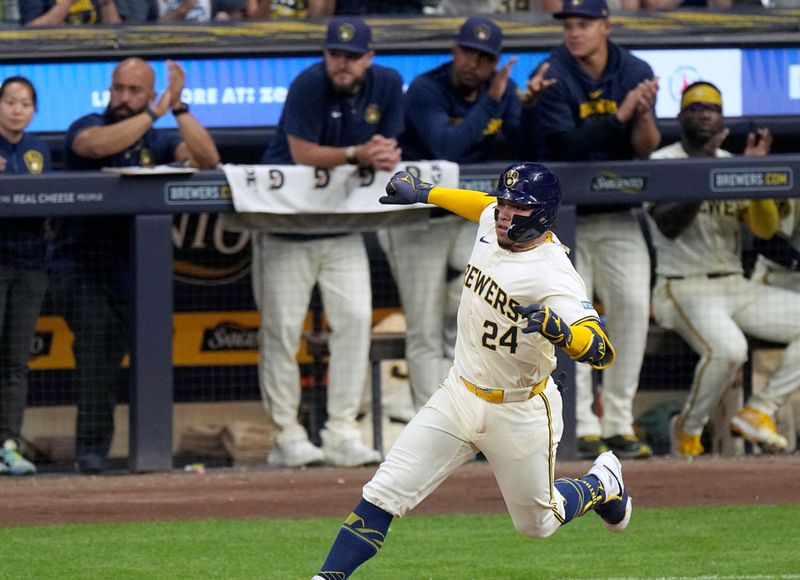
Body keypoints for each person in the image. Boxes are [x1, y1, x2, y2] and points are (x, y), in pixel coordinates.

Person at [259, 163, 631, 580]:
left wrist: (564, 334)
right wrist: (428, 193)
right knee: (384, 491)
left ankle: (602, 482)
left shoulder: (553, 274)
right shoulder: (492, 221)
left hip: (519, 409)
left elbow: (600, 349)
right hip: (458, 393)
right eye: (505, 203)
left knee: (538, 523)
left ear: (542, 216)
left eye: (518, 208)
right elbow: (479, 206)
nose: (505, 214)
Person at [50, 57, 219, 473]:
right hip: (80, 262)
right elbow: (95, 146)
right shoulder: (88, 123)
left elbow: (206, 159)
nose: (123, 98)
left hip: (136, 267)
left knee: (145, 348)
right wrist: (152, 112)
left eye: (134, 91)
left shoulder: (157, 139)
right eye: (118, 89)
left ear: (148, 91)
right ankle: (91, 452)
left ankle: (149, 452)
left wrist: (178, 109)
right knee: (96, 348)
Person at [252, 17, 403, 468]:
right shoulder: (308, 84)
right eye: (336, 54)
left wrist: (385, 154)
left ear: (369, 58)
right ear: (325, 55)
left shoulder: (389, 83)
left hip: (342, 226)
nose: (343, 63)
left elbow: (390, 146)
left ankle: (341, 431)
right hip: (287, 226)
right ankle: (287, 434)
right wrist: (360, 153)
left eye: (353, 56)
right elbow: (302, 153)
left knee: (356, 321)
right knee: (280, 331)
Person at [384, 16, 554, 412]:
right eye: (468, 52)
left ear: (494, 61)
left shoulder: (503, 90)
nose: (473, 63)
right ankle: (433, 418)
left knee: (470, 311)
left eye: (484, 57)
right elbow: (447, 146)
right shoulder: (427, 89)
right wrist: (494, 101)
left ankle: (468, 413)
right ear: (454, 51)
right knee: (425, 328)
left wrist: (527, 108)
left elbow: (527, 151)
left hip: (467, 219)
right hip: (417, 221)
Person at [527, 0, 660, 460]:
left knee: (629, 311)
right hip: (566, 220)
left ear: (606, 25)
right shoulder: (553, 71)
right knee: (570, 319)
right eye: (569, 24)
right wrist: (621, 116)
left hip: (619, 211)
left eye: (584, 24)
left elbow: (646, 148)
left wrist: (640, 116)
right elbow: (568, 145)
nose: (574, 32)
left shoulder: (635, 69)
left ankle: (619, 422)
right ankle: (581, 422)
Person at [646, 81, 800, 457]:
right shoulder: (662, 162)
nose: (703, 113)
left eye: (711, 108)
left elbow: (764, 229)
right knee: (730, 350)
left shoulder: (732, 164)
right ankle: (688, 429)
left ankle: (759, 411)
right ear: (680, 116)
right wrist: (707, 170)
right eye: (694, 107)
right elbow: (667, 224)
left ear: (721, 119)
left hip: (736, 285)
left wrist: (757, 174)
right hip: (682, 286)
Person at [0, 77, 51, 476]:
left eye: (25, 103)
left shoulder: (40, 150)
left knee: (16, 361)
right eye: (10, 101)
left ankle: (8, 444)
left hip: (30, 264)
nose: (17, 109)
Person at [19, 0, 121, 25]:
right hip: (53, 51)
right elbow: (31, 28)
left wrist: (106, 4)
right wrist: (67, 3)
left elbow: (115, 27)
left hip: (95, 50)